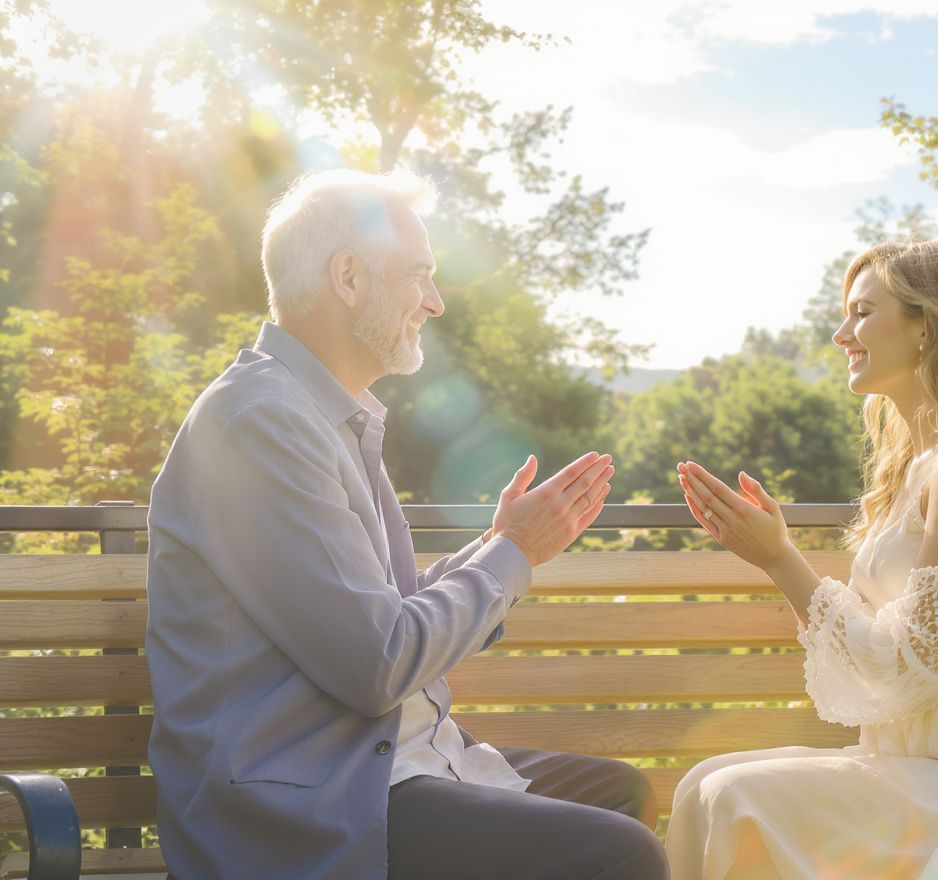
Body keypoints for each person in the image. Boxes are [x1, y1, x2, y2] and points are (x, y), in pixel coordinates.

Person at [146, 168, 669, 880]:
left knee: (622, 793)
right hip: (313, 797)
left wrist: (498, 545)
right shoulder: (260, 423)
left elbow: (369, 616)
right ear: (349, 277)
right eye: (419, 275)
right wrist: (512, 553)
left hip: (380, 760)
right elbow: (378, 663)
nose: (437, 301)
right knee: (618, 853)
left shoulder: (322, 414)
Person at [665, 240, 938, 879]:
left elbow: (913, 665)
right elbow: (892, 662)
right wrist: (776, 556)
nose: (842, 333)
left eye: (863, 312)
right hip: (927, 766)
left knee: (737, 798)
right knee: (707, 780)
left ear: (929, 323)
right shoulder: (917, 463)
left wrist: (781, 559)